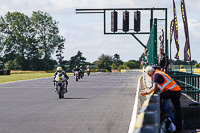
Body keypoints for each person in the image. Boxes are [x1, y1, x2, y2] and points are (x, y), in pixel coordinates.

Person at [140, 66, 182, 132]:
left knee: (157, 96)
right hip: (177, 90)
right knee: (177, 110)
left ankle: (164, 112)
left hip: (172, 91)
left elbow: (154, 88)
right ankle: (179, 128)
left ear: (149, 73)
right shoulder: (159, 72)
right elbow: (157, 87)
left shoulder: (156, 75)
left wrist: (146, 92)